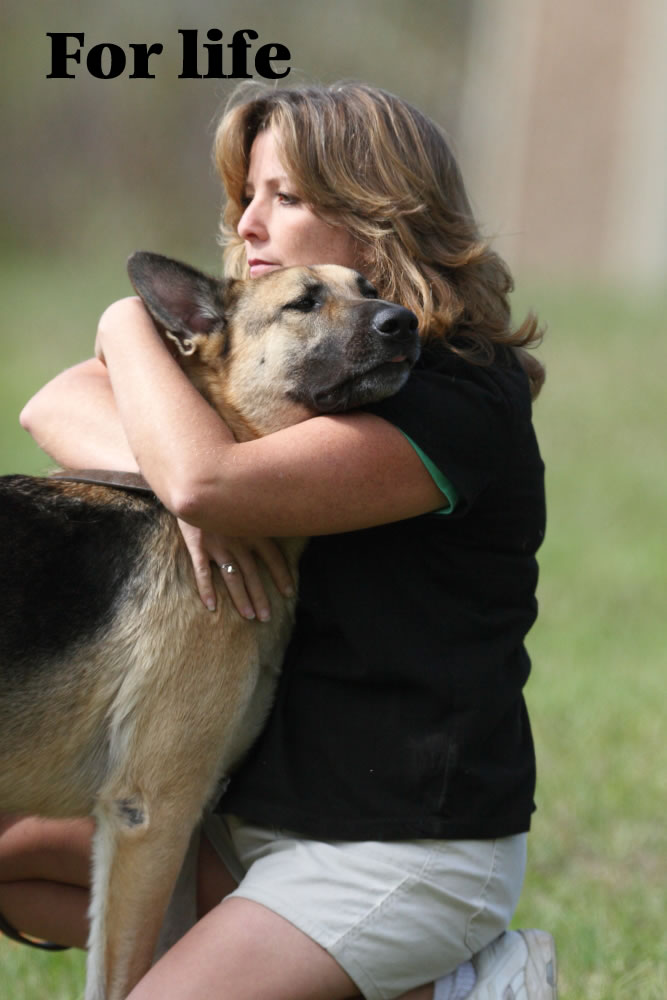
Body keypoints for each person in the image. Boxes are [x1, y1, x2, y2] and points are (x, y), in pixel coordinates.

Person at [0, 82, 557, 999]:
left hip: (394, 849)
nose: (250, 223)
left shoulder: (445, 398)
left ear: (378, 214)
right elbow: (57, 402)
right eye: (245, 197)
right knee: (14, 852)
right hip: (263, 825)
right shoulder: (257, 367)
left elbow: (207, 479)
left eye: (285, 198)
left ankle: (456, 981)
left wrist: (187, 470)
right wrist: (170, 468)